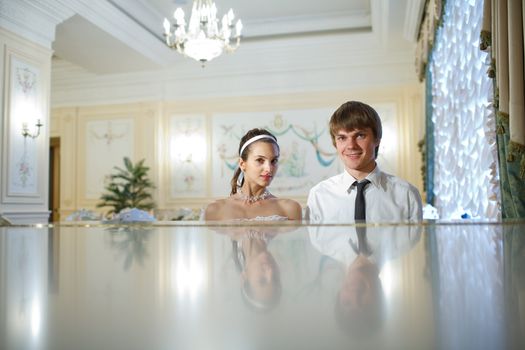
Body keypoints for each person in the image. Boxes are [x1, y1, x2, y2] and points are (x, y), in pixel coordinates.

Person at [306, 101, 423, 223]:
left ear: (377, 139)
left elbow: (415, 242)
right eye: (342, 138)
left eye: (360, 135)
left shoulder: (407, 195)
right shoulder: (318, 196)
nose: (351, 146)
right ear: (335, 143)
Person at [204, 128, 302, 221]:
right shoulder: (215, 210)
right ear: (242, 164)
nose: (269, 168)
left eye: (274, 161)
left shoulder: (290, 209)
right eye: (260, 160)